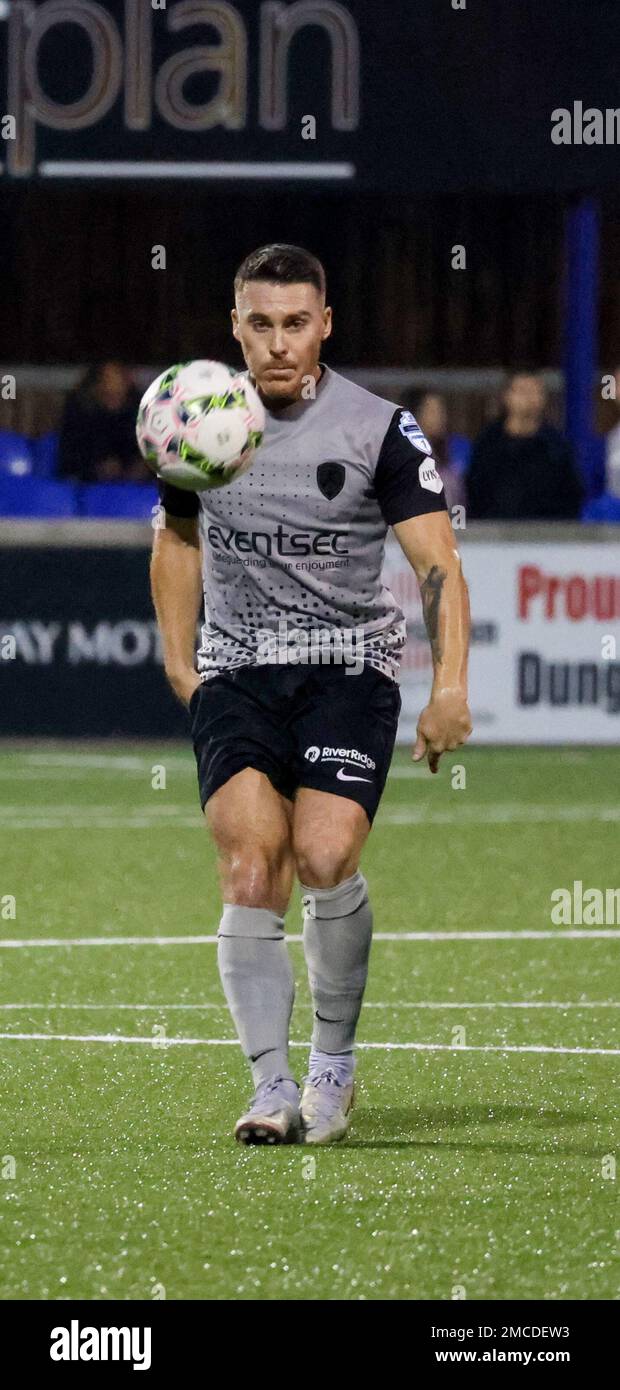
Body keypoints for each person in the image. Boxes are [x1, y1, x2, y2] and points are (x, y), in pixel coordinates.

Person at [150, 244, 471, 1146]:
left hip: (347, 667)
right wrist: (184, 665)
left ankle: (332, 1066)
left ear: (325, 324)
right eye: (261, 324)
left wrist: (449, 685)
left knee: (326, 858)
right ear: (236, 326)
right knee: (253, 867)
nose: (279, 344)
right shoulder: (200, 419)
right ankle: (271, 1087)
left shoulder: (379, 428)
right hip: (241, 669)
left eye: (297, 324)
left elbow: (436, 562)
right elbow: (177, 541)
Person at [466, 371, 583, 520]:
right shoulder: (488, 443)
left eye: (535, 391)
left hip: (547, 535)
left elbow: (571, 496)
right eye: (522, 391)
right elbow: (475, 493)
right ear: (507, 396)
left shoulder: (557, 446)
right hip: (494, 534)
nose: (529, 398)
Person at [58, 361, 148, 483]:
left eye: (119, 380)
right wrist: (96, 470)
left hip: (133, 489)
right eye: (107, 380)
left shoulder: (140, 415)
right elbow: (69, 461)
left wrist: (140, 468)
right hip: (88, 486)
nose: (113, 387)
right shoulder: (79, 416)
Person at [400, 389, 469, 512]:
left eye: (442, 411)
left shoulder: (451, 457)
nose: (440, 417)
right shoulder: (404, 460)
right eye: (432, 411)